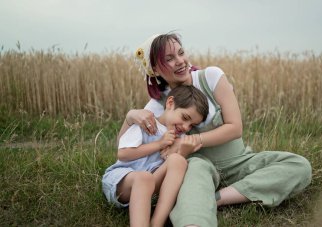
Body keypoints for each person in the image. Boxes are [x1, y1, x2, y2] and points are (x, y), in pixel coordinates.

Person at [118, 33, 312, 226]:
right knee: (195, 171)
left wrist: (188, 141)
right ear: (155, 69)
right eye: (169, 59)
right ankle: (195, 215)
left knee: (299, 166)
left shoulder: (210, 77)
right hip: (198, 168)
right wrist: (130, 116)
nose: (180, 61)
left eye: (181, 53)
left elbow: (235, 128)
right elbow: (124, 146)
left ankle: (215, 198)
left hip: (240, 162)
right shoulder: (160, 103)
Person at [102, 84, 209, 227]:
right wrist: (159, 144)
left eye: (191, 125)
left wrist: (184, 152)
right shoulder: (146, 124)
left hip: (150, 183)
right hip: (123, 182)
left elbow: (170, 167)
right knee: (143, 178)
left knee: (178, 161)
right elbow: (123, 154)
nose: (185, 127)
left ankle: (157, 222)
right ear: (170, 103)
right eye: (185, 117)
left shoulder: (178, 137)